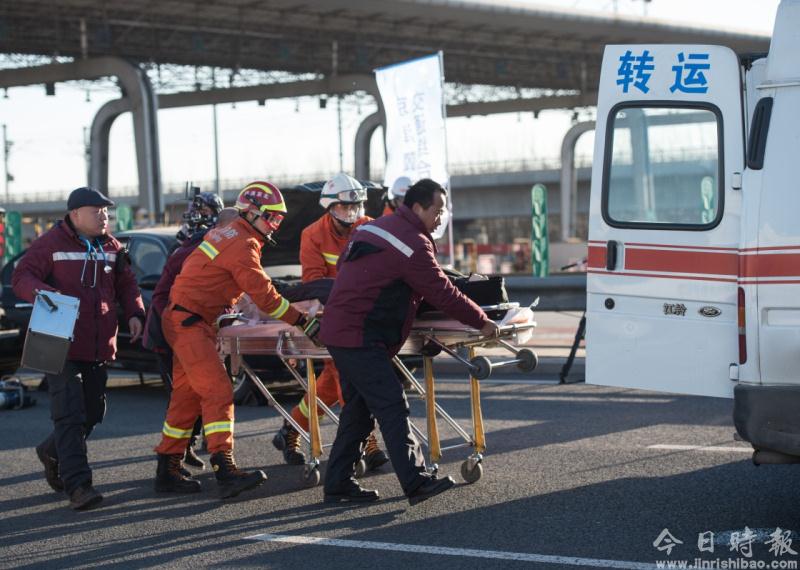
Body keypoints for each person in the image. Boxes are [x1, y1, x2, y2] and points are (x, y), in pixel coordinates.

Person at [320, 178, 499, 506]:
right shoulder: (413, 243)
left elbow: (352, 266)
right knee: (392, 404)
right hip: (360, 336)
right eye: (437, 210)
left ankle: (338, 484)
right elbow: (442, 291)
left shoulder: (372, 228)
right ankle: (416, 481)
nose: (440, 217)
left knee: (359, 412)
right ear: (418, 207)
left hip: (342, 330)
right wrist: (482, 321)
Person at [153, 181, 320, 499]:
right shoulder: (242, 242)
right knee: (218, 392)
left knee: (187, 398)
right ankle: (225, 468)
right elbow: (266, 298)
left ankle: (167, 467)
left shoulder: (229, 235)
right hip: (191, 322)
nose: (275, 224)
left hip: (187, 319)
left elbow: (229, 282)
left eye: (279, 219)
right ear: (252, 212)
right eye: (272, 217)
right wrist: (304, 322)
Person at [12, 187, 145, 511]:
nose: (104, 216)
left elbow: (127, 285)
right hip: (57, 340)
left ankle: (51, 450)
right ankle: (79, 485)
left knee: (93, 412)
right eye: (96, 210)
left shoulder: (112, 247)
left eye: (106, 211)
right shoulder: (50, 244)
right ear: (74, 215)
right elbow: (21, 277)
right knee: (69, 415)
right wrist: (47, 295)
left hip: (98, 343)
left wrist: (136, 313)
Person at [272, 173, 388, 472]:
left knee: (327, 385)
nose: (351, 215)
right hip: (332, 317)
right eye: (345, 208)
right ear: (329, 207)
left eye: (356, 208)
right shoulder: (312, 234)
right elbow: (313, 284)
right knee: (346, 375)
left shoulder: (370, 227)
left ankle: (291, 430)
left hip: (365, 316)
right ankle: (368, 439)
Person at [143, 193, 230, 472]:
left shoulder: (198, 247)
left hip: (185, 331)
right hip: (174, 335)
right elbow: (169, 298)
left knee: (187, 396)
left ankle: (174, 458)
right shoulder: (191, 251)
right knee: (197, 394)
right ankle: (196, 458)